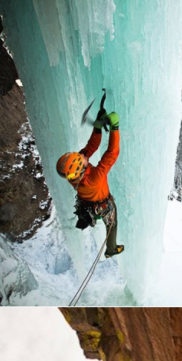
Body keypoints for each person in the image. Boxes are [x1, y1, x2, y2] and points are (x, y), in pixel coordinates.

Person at [57, 91, 123, 254]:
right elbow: (111, 153)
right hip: (102, 204)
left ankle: (110, 247)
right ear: (81, 167)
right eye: (81, 158)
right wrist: (115, 127)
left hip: (87, 203)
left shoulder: (75, 173)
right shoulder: (93, 178)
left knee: (109, 221)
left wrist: (98, 126)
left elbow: (92, 145)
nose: (83, 155)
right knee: (112, 222)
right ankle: (111, 249)